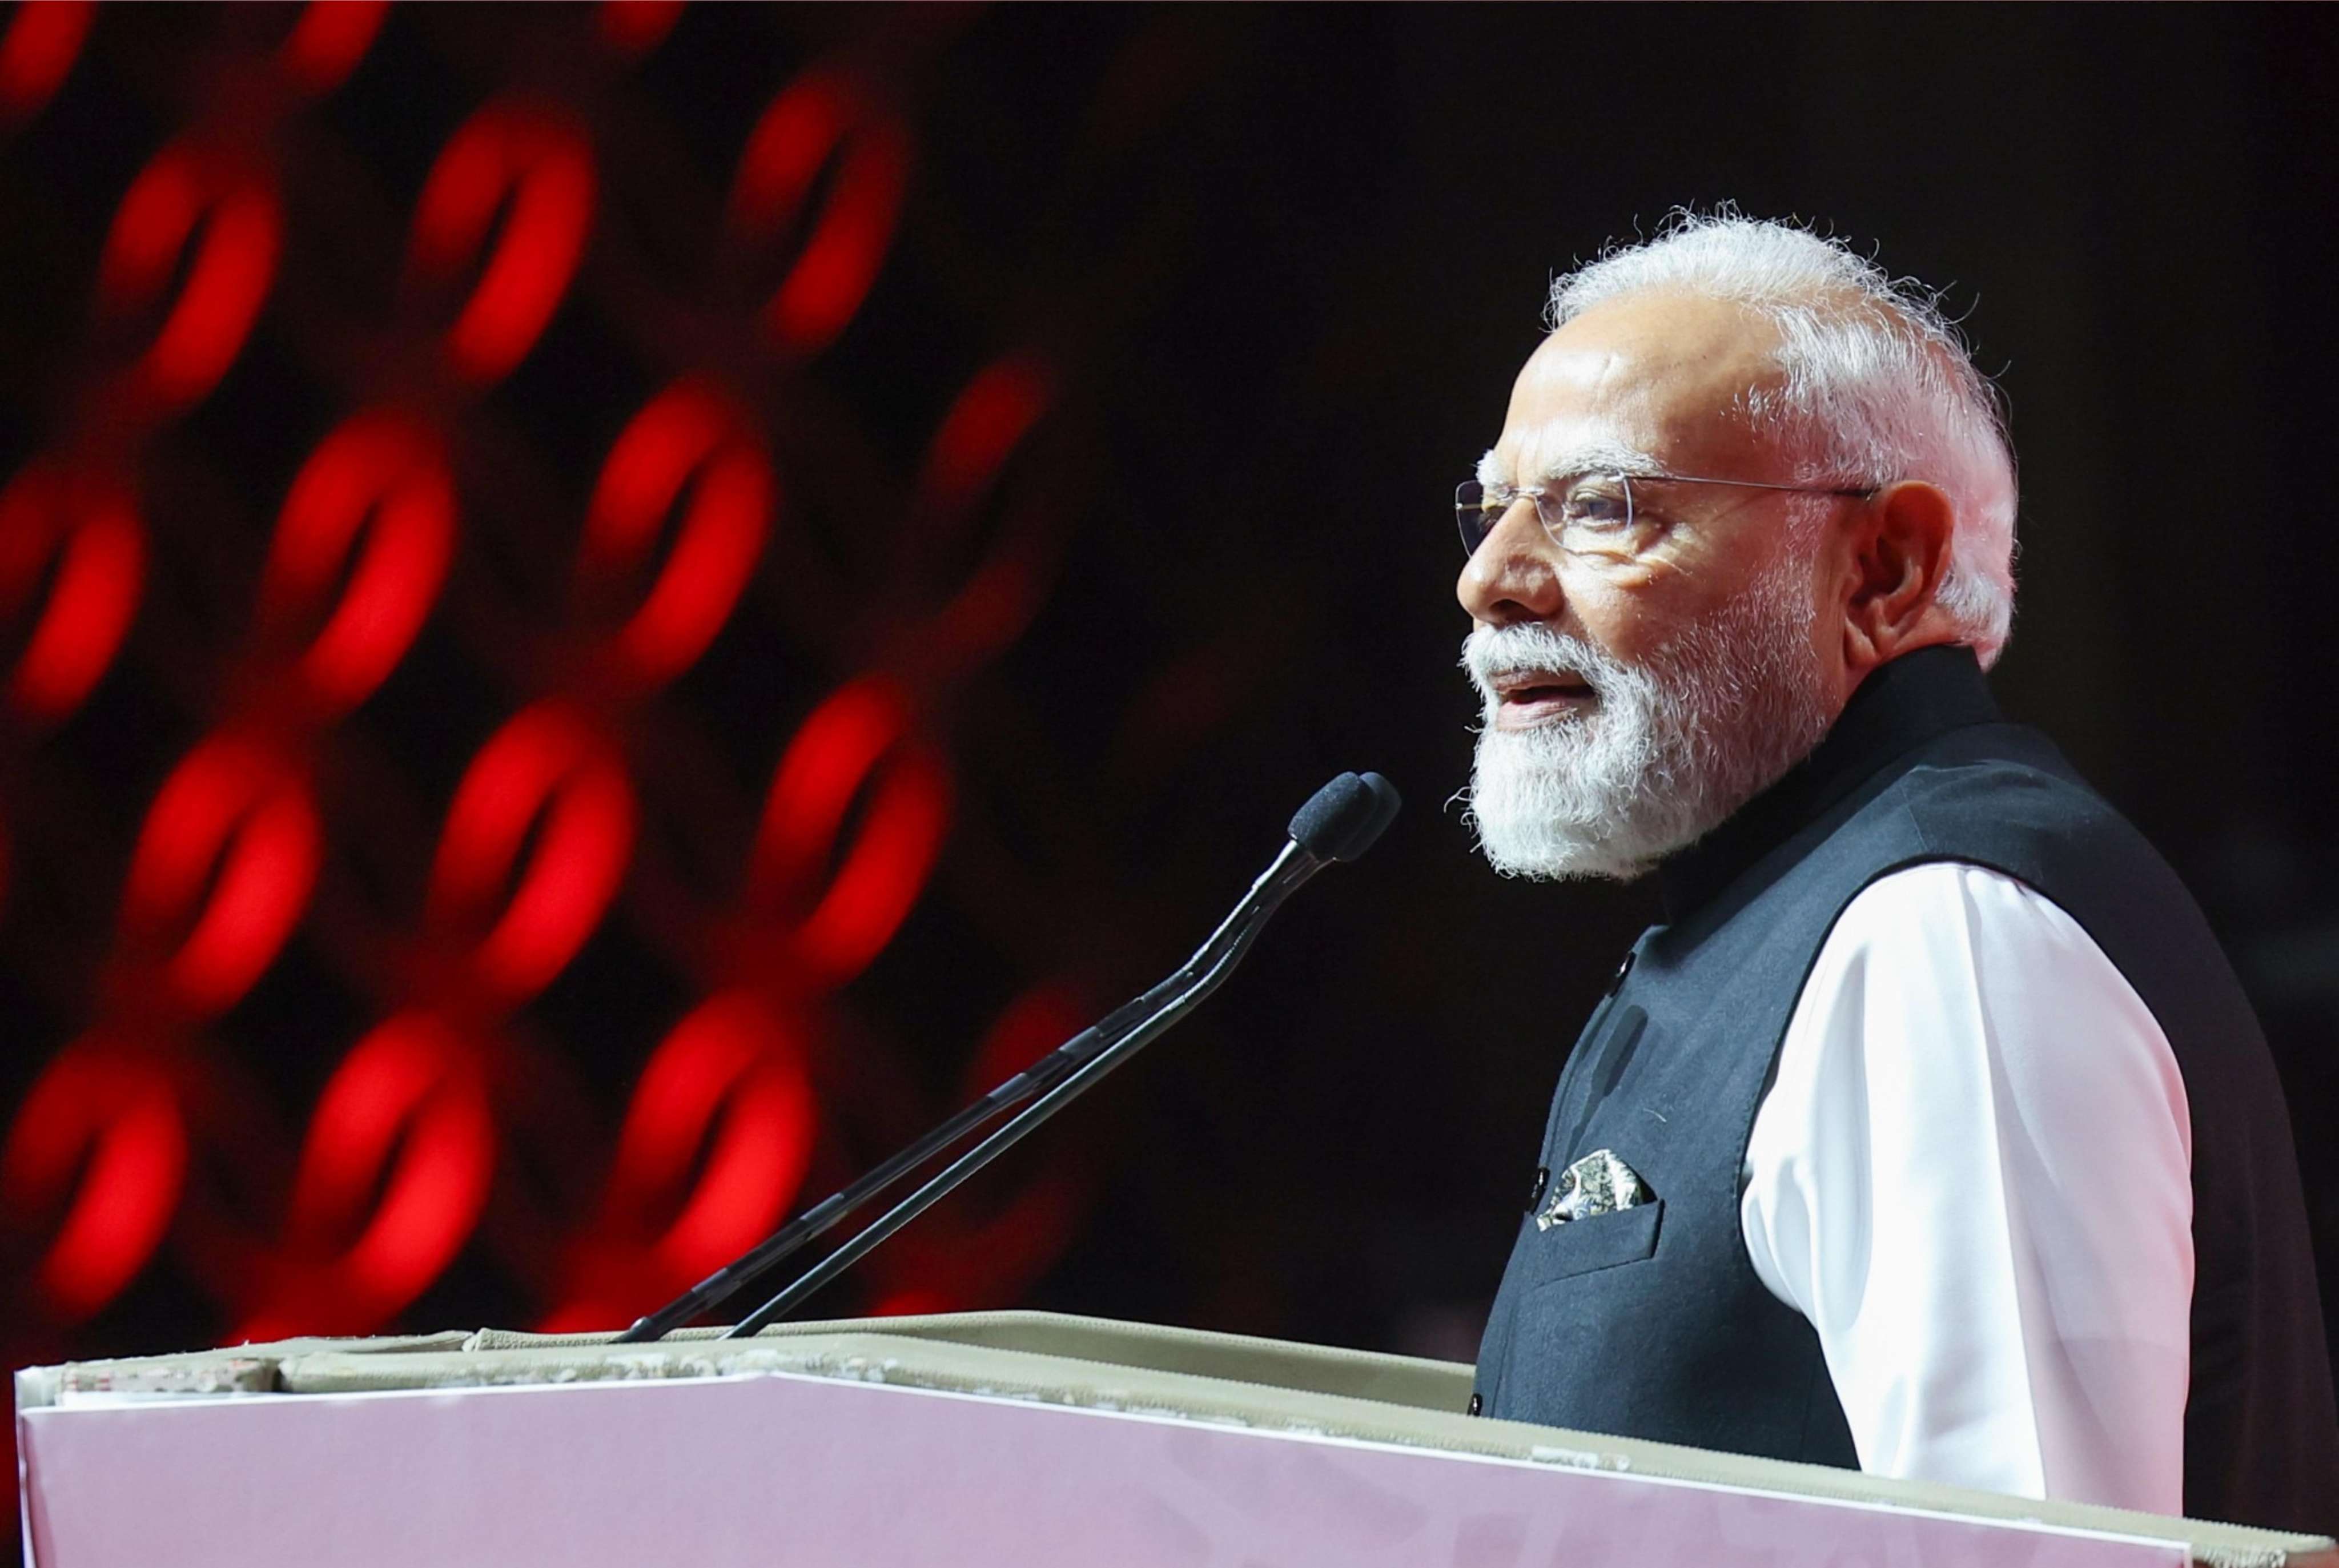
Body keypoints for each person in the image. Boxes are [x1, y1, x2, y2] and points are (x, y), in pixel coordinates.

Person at [1456, 211, 2339, 1532]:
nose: (1491, 578)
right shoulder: (1783, 909)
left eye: (1599, 506)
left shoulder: (1941, 938)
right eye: (1492, 504)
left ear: (1883, 566)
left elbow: (2024, 1554)